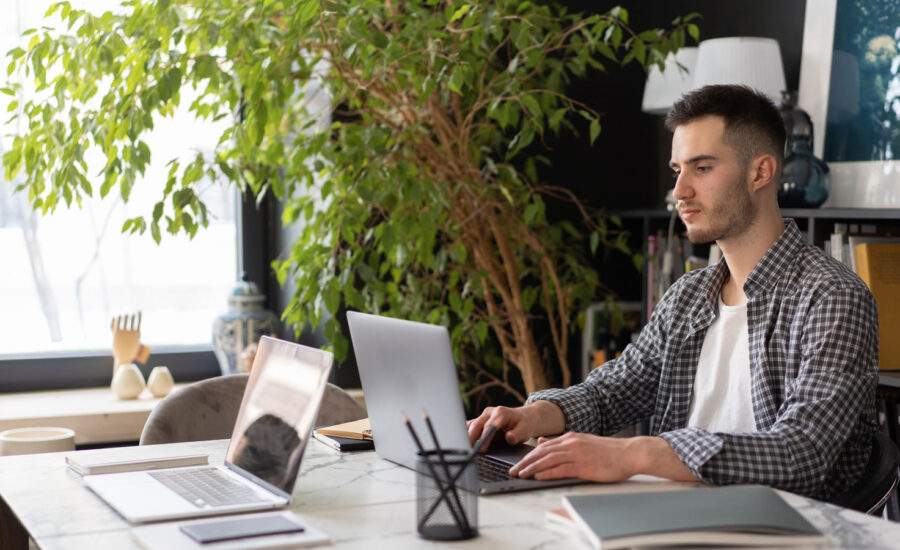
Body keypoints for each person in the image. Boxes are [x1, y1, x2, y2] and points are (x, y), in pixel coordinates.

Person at [467, 84, 879, 501]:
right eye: (677, 170)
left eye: (701, 168)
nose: (679, 191)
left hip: (791, 528)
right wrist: (536, 415)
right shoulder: (688, 295)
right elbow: (614, 392)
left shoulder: (832, 297)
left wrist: (635, 454)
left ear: (761, 172)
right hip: (675, 513)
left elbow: (801, 453)